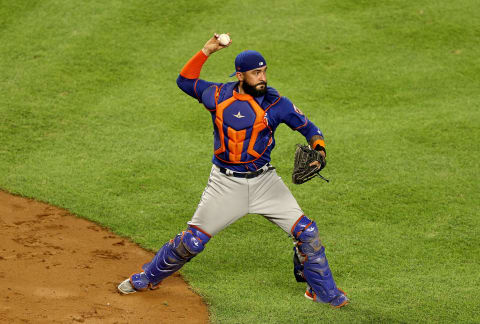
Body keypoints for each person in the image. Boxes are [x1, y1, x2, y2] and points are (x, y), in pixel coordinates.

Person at [117, 33, 349, 308]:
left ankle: (322, 292)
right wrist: (206, 51)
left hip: (266, 182)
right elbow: (184, 81)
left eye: (264, 71)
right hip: (224, 185)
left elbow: (310, 129)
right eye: (255, 73)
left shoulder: (277, 104)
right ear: (240, 75)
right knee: (191, 242)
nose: (262, 77)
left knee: (307, 233)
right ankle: (148, 276)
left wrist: (319, 149)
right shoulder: (216, 95)